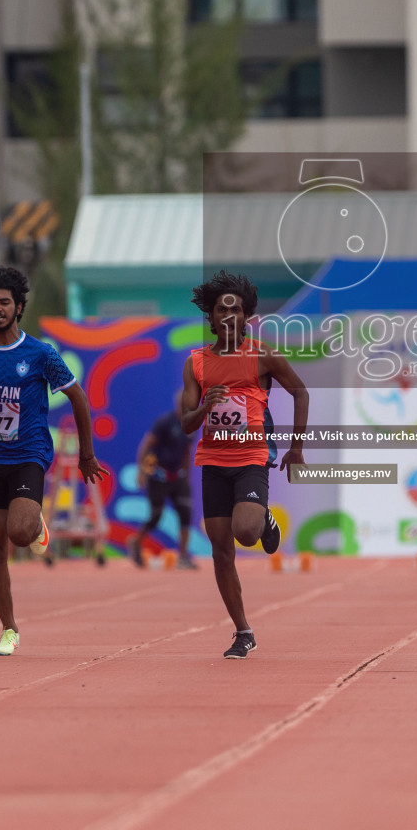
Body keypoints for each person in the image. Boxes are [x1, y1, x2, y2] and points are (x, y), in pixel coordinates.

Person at [0, 266, 101, 657]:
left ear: (19, 306)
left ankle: (34, 524)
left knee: (18, 533)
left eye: (4, 302)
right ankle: (8, 628)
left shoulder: (40, 353)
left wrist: (86, 454)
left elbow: (78, 398)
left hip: (29, 451)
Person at [181, 270, 308, 660]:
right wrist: (206, 405)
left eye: (236, 310)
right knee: (221, 550)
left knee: (246, 533)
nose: (229, 317)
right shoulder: (197, 363)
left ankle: (263, 516)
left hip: (253, 457)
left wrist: (296, 447)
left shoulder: (263, 354)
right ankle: (243, 631)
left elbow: (300, 391)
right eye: (222, 310)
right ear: (213, 317)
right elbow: (186, 424)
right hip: (214, 461)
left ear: (247, 316)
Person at [131, 395, 197, 571]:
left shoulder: (191, 425)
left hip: (178, 477)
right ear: (177, 405)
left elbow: (187, 452)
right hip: (158, 476)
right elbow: (146, 445)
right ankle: (135, 542)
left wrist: (187, 478)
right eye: (183, 405)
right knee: (156, 516)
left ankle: (183, 556)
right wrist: (141, 471)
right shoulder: (165, 422)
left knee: (185, 514)